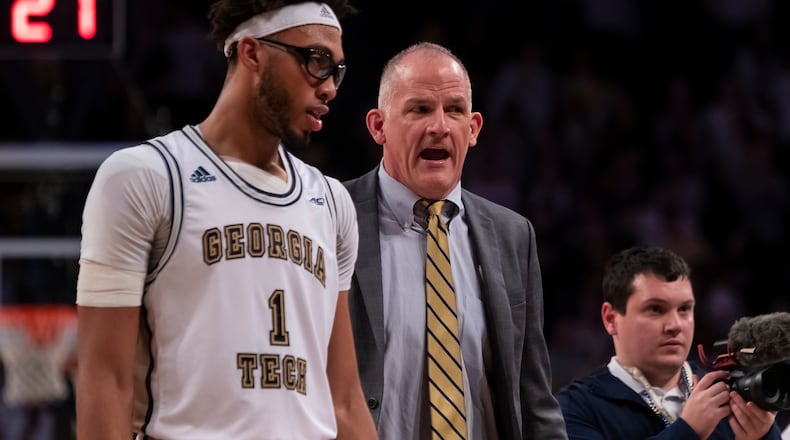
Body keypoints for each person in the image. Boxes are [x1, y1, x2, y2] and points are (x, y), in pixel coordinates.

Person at [74, 1, 376, 439]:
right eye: (316, 61)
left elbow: (344, 401)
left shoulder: (331, 202)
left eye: (337, 70)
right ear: (252, 53)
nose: (329, 87)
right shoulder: (146, 177)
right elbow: (105, 383)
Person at [343, 41, 568, 440]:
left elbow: (533, 399)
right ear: (378, 126)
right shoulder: (331, 217)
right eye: (419, 109)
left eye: (454, 110)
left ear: (473, 128)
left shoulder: (512, 235)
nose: (439, 126)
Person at [556, 246, 781, 439]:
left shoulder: (728, 393)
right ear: (611, 319)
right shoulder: (575, 407)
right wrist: (688, 430)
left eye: (684, 309)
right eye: (655, 309)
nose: (675, 325)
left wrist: (764, 436)